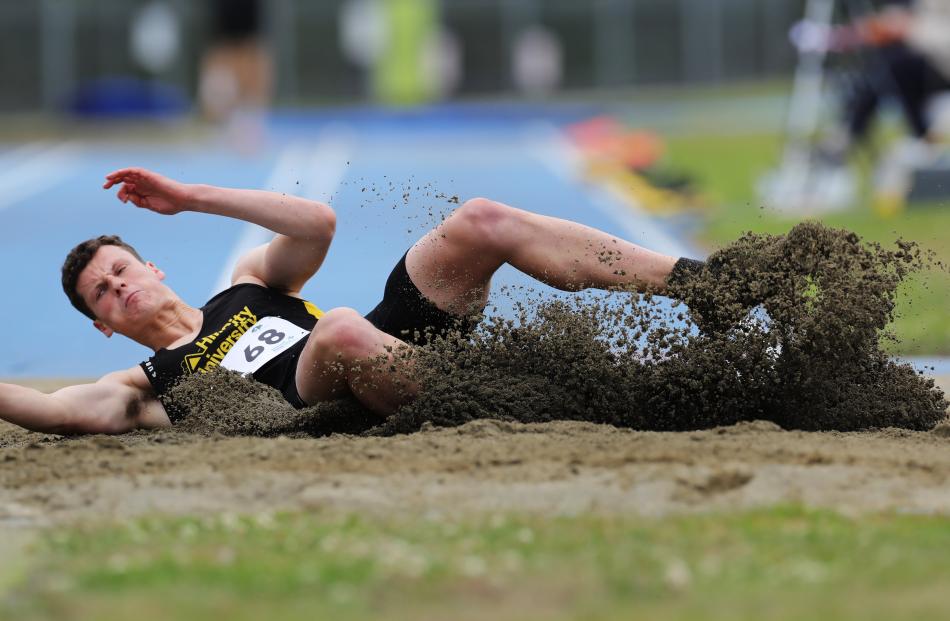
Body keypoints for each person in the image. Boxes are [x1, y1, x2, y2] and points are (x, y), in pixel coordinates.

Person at [0, 167, 698, 435]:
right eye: (104, 292)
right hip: (328, 394)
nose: (120, 285)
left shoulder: (247, 282)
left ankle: (700, 283)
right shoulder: (142, 385)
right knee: (336, 331)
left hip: (386, 351)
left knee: (481, 219)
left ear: (150, 264)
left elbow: (316, 224)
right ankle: (549, 397)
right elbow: (54, 411)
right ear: (104, 325)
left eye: (122, 269)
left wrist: (188, 198)